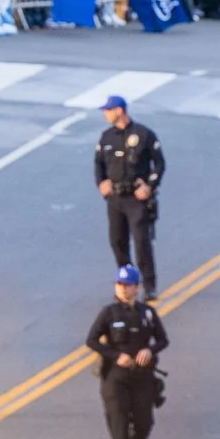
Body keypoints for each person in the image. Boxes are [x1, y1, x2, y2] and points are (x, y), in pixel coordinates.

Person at [85, 265, 168, 439]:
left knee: (143, 423)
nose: (123, 289)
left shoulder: (146, 313)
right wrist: (115, 355)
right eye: (120, 285)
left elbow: (163, 339)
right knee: (120, 426)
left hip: (142, 378)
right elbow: (91, 340)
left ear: (137, 287)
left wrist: (150, 350)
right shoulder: (109, 314)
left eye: (128, 285)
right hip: (116, 379)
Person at [92, 95, 165, 297]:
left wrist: (150, 186)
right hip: (115, 199)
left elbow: (159, 164)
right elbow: (98, 164)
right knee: (117, 241)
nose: (105, 114)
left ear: (120, 111)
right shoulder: (106, 137)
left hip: (135, 198)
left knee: (141, 241)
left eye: (109, 110)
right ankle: (127, 281)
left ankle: (149, 285)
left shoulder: (143, 135)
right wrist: (101, 183)